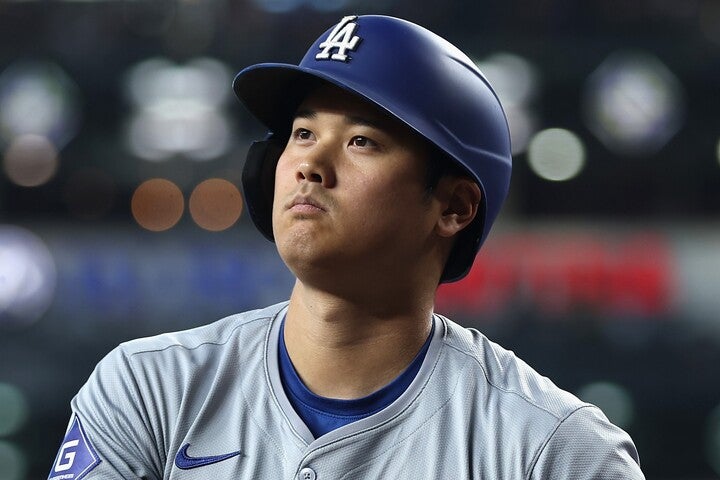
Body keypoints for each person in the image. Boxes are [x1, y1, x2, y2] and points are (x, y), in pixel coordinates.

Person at [48, 15, 645, 480]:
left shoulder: (550, 449)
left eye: (361, 140)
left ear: (454, 207)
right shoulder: (152, 389)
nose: (309, 161)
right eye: (304, 132)